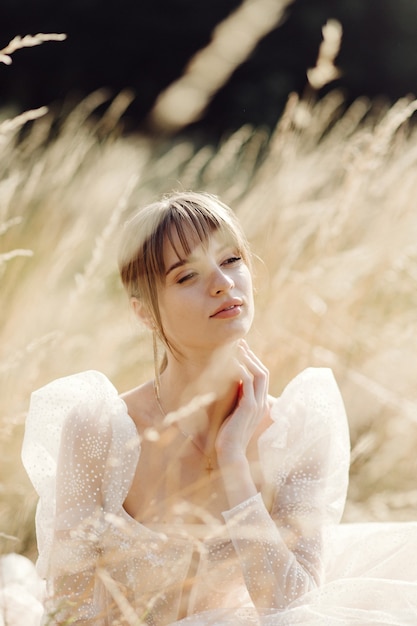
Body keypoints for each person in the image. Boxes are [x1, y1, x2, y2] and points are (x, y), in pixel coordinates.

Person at [22, 192, 417, 625]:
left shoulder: (297, 429)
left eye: (230, 260)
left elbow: (296, 608)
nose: (223, 284)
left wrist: (233, 463)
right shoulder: (101, 428)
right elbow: (69, 610)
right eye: (187, 275)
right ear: (144, 313)